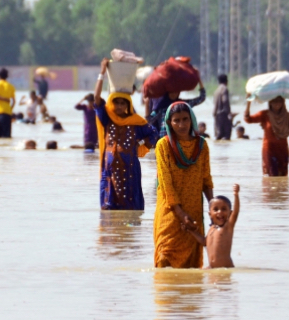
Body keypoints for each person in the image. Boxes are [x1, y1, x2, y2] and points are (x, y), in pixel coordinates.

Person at [153, 101, 213, 268]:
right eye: (176, 120)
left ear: (191, 120)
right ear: (169, 123)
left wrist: (212, 205)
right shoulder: (163, 146)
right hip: (170, 211)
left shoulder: (201, 145)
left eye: (185, 119)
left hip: (193, 210)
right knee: (164, 257)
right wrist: (179, 213)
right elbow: (165, 183)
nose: (181, 125)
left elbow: (206, 179)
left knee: (191, 266)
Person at [94, 58, 158, 210]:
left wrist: (139, 144)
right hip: (110, 171)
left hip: (130, 171)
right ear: (112, 103)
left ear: (128, 105)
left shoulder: (135, 122)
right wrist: (102, 73)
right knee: (109, 212)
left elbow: (153, 135)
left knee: (131, 210)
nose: (120, 106)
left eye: (123, 103)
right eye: (117, 102)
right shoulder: (107, 119)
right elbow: (96, 99)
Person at [244, 95, 289, 176]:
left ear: (283, 103)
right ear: (270, 103)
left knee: (283, 178)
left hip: (283, 150)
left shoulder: (288, 117)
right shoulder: (265, 115)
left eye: (279, 101)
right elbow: (248, 119)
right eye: (274, 101)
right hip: (269, 150)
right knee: (272, 177)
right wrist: (248, 103)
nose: (277, 104)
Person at [184, 184, 240, 269]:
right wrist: (190, 231)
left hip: (225, 268)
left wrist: (236, 195)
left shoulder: (227, 227)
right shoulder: (212, 229)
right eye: (216, 209)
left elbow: (236, 213)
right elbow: (204, 242)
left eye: (224, 209)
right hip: (212, 268)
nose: (220, 212)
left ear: (230, 213)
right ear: (210, 214)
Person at [213, 74, 236, 140]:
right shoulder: (224, 89)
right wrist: (229, 113)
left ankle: (218, 150)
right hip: (223, 115)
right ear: (226, 81)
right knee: (226, 136)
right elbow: (225, 100)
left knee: (219, 135)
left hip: (216, 115)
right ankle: (225, 150)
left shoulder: (216, 90)